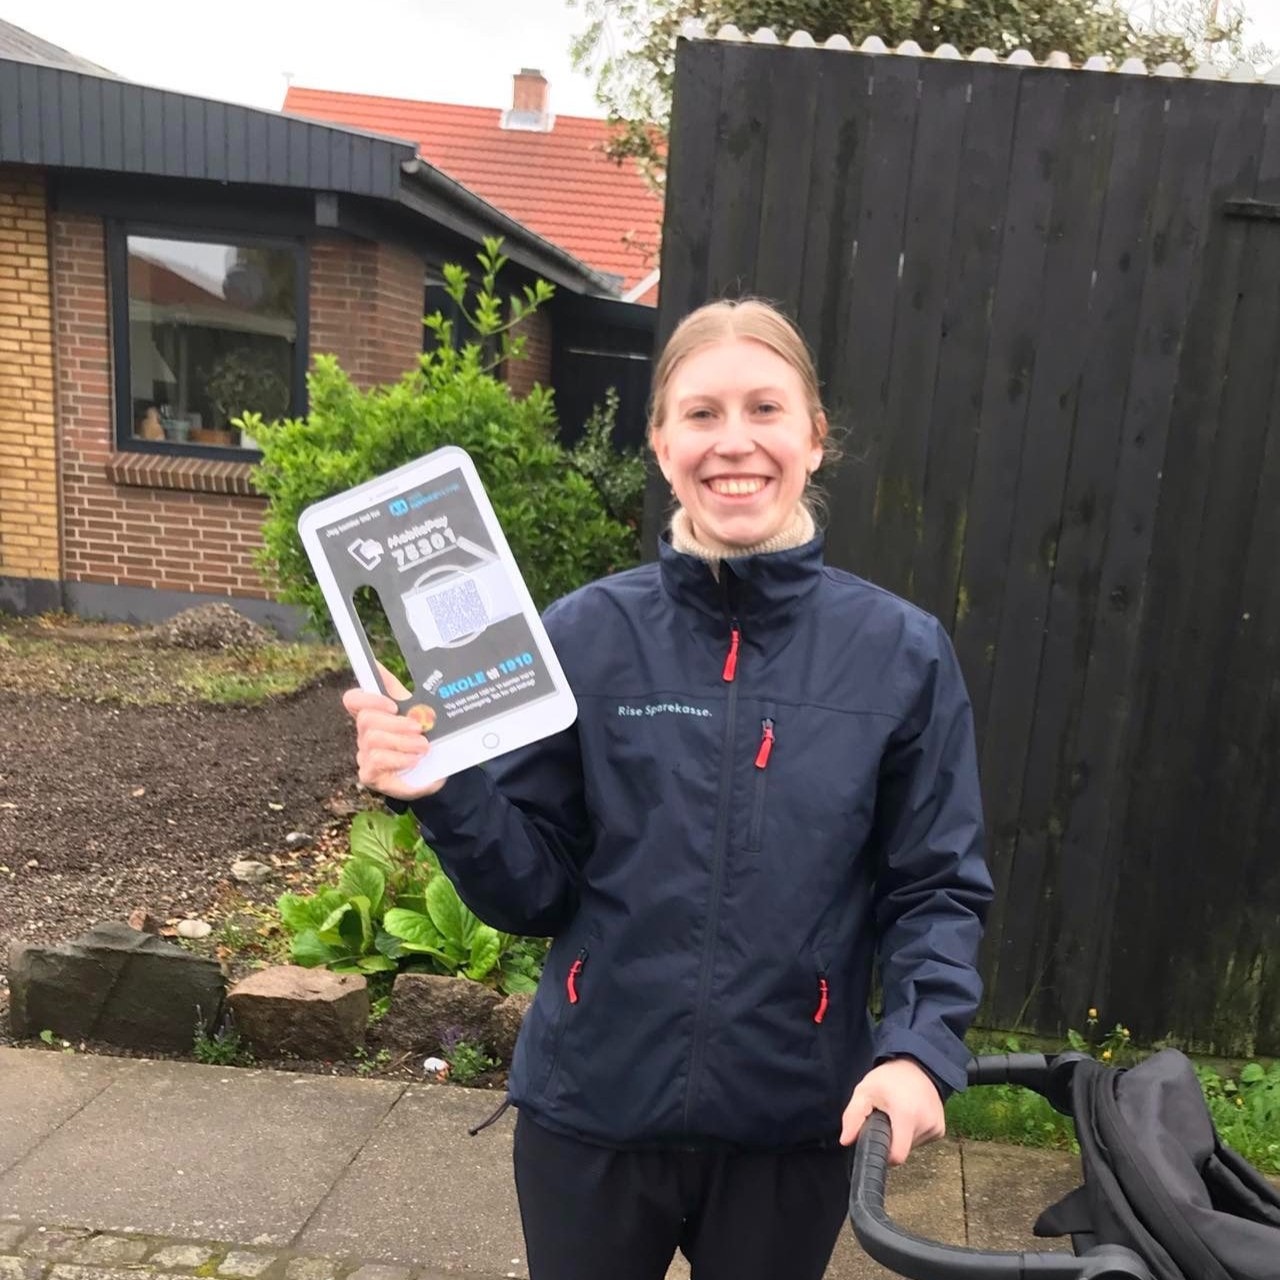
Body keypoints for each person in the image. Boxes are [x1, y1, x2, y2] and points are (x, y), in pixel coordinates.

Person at [343, 298, 993, 1280]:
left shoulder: (901, 653)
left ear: (814, 437)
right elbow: (533, 893)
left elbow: (934, 885)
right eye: (701, 413)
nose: (734, 441)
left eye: (764, 408)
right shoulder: (582, 636)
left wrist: (916, 1049)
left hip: (792, 1124)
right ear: (659, 441)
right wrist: (443, 790)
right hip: (590, 1116)